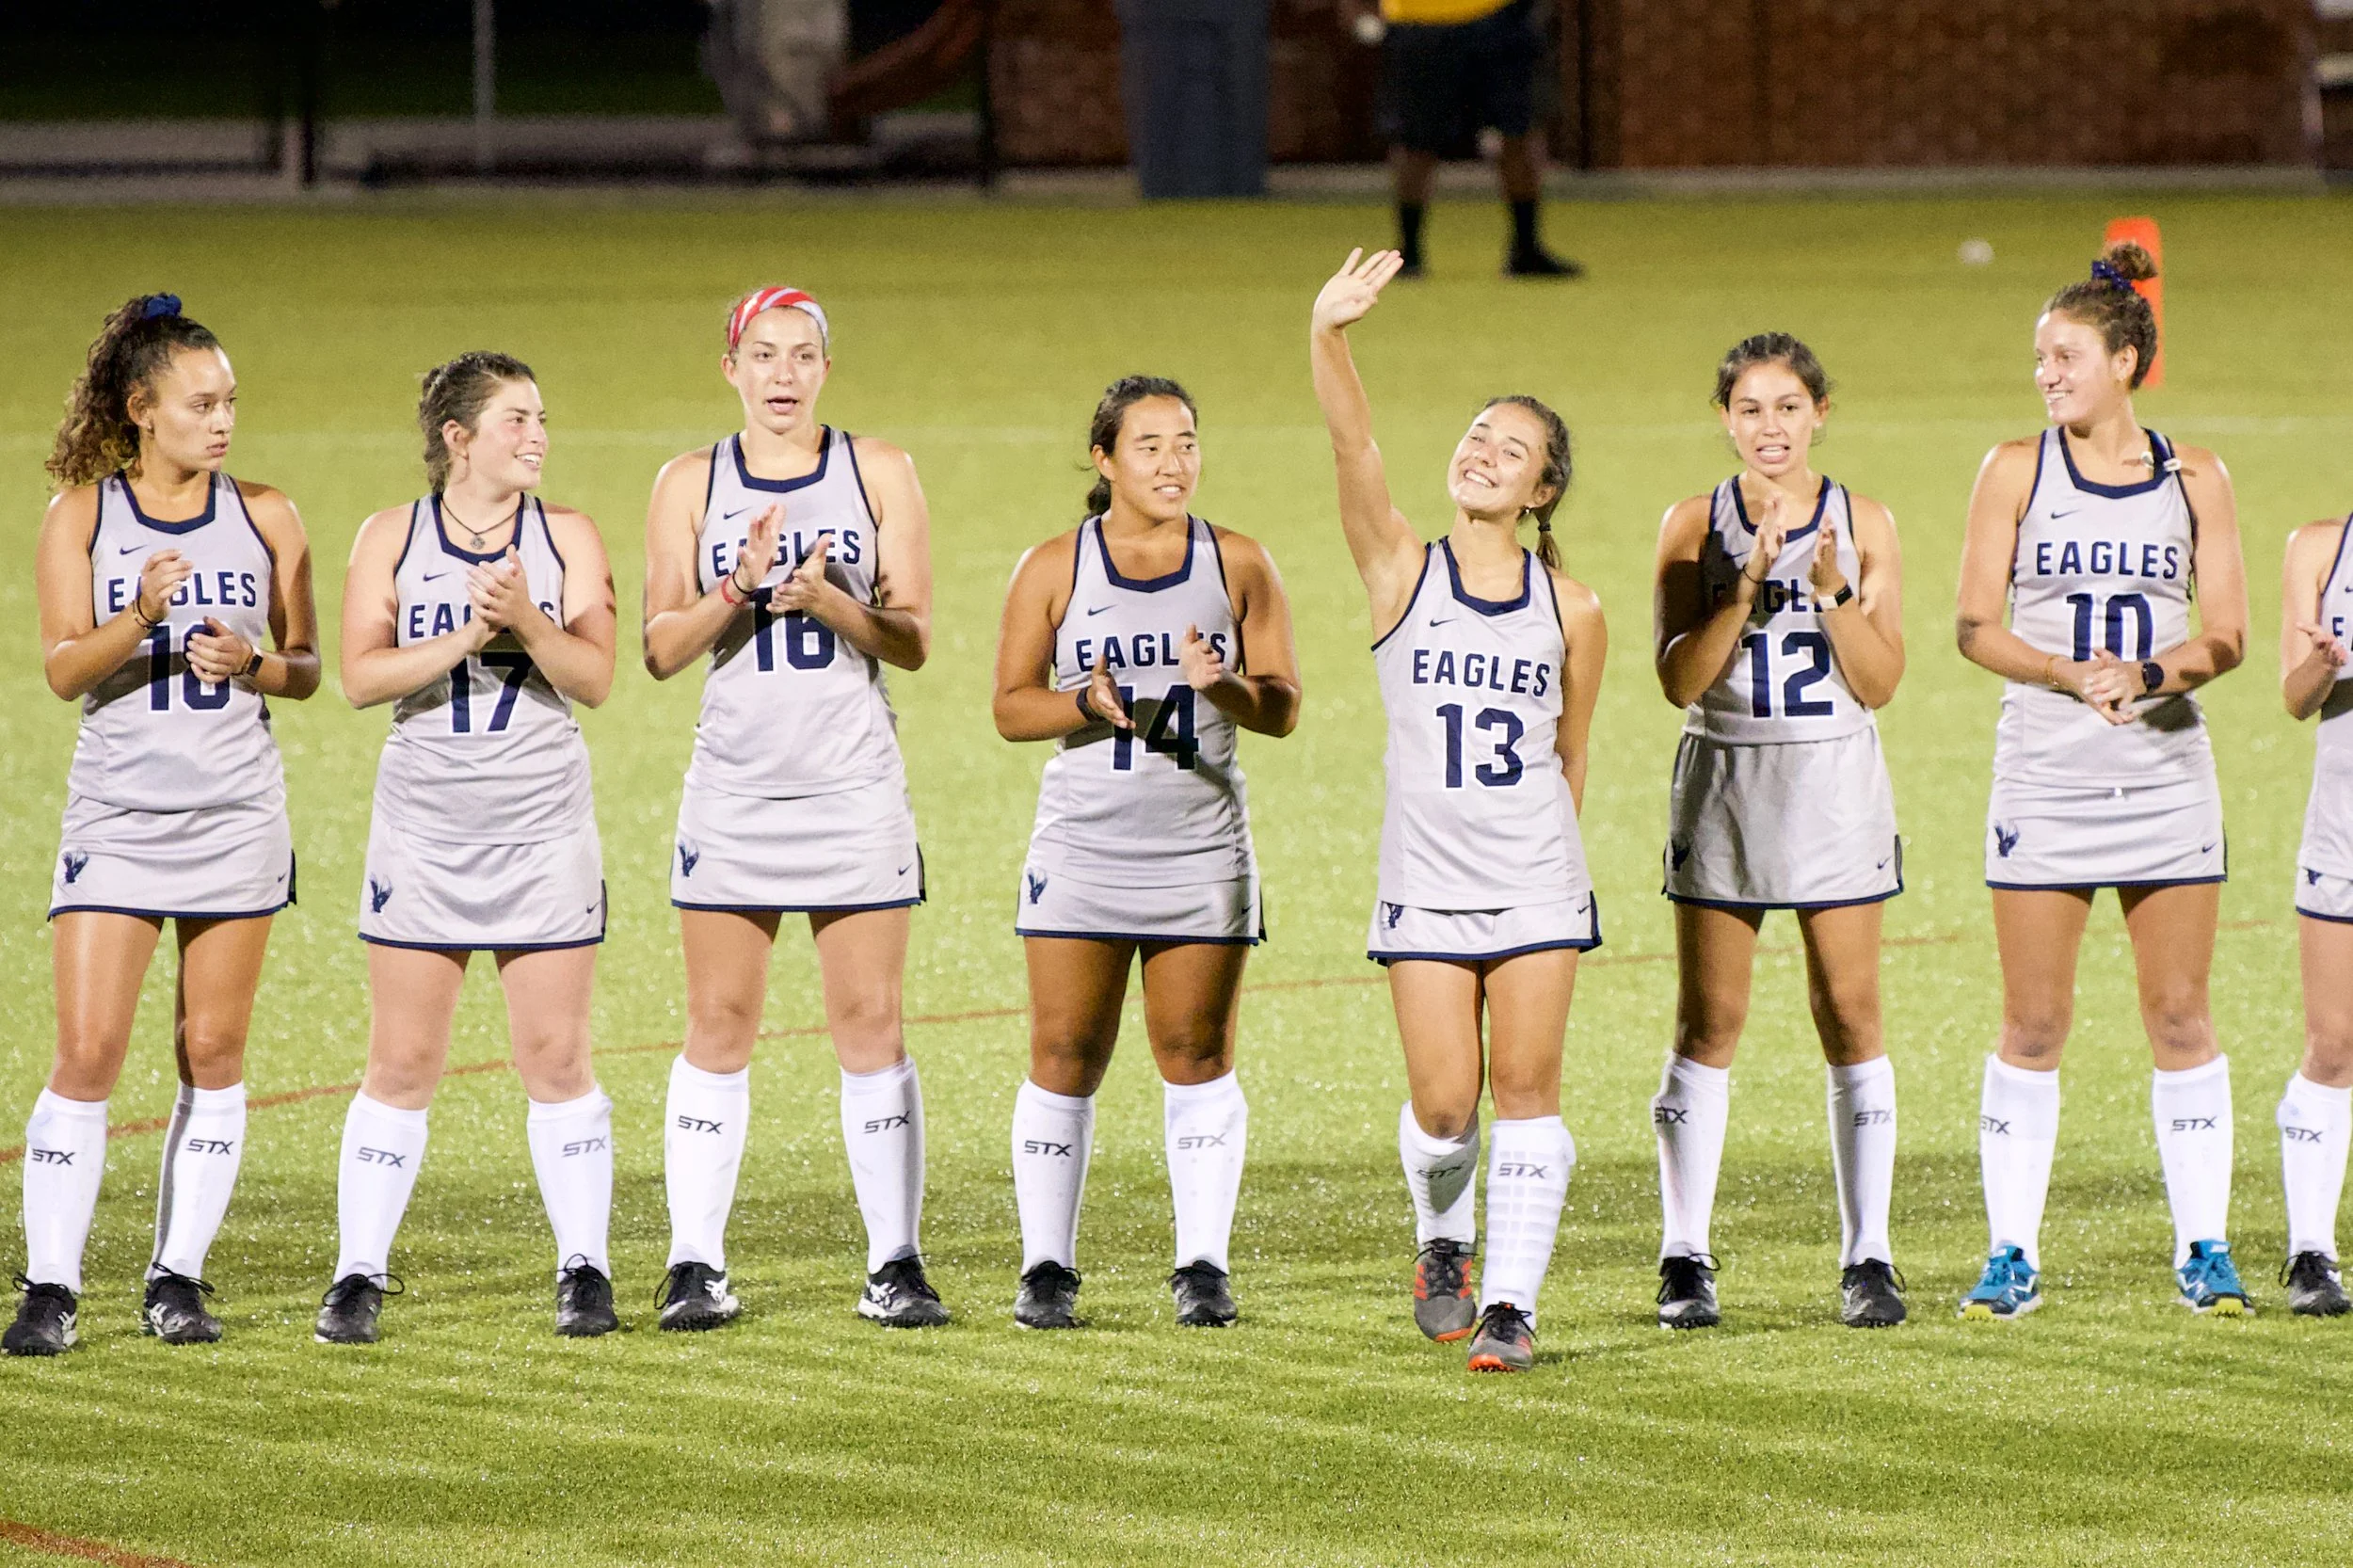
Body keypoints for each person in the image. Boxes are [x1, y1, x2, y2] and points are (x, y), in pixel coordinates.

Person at [8, 295, 320, 1356]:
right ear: (142, 409)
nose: (222, 420)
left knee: (213, 1048)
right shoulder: (83, 517)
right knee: (89, 1049)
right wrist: (139, 614)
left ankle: (176, 1278)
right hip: (120, 815)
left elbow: (307, 667)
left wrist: (256, 664)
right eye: (200, 404)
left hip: (236, 815)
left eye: (230, 401)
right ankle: (51, 1287)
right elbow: (63, 670)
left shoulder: (267, 514)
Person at [1309, 248, 1604, 1371]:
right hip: (1425, 882)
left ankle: (1511, 1308)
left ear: (1541, 491)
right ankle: (1444, 1241)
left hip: (1533, 878)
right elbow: (1355, 450)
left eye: (1510, 448)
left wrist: (1551, 870)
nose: (1482, 452)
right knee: (1444, 1106)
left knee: (1526, 1091)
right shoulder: (1400, 570)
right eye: (1477, 434)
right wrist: (1328, 335)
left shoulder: (1572, 607)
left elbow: (1572, 750)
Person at [1954, 241, 2249, 1320]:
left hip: (2166, 777)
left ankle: (2204, 1245)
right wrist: (2064, 673)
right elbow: (1973, 626)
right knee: (2032, 1022)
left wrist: (2150, 674)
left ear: (2126, 361)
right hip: (2045, 778)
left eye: (2066, 356)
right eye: (2040, 357)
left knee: (2179, 1014)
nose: (2046, 374)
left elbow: (2226, 635)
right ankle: (2009, 1253)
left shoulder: (2195, 476)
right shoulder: (2013, 470)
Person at [642, 287, 943, 1331]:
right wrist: (738, 587)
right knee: (719, 1021)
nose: (783, 374)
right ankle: (694, 1263)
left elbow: (914, 638)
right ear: (730, 366)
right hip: (734, 788)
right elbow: (659, 649)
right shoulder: (689, 481)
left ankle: (895, 1263)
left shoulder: (879, 469)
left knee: (871, 1021)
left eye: (803, 354)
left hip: (853, 785)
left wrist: (830, 602)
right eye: (763, 354)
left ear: (825, 367)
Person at [312, 353, 621, 1346]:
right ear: (458, 438)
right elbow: (359, 677)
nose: (537, 436)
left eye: (541, 417)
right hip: (425, 832)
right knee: (402, 1059)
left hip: (542, 830)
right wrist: (461, 640)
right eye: (515, 419)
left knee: (556, 1054)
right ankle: (358, 1272)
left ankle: (584, 1269)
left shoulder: (567, 535)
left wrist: (525, 619)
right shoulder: (391, 535)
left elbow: (596, 678)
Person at [991, 376, 1302, 1330]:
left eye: (1186, 443)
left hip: (1200, 849)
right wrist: (1082, 703)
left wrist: (1226, 686)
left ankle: (1202, 1267)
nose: (1174, 463)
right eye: (1150, 445)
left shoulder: (1238, 560)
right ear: (1105, 458)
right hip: (1083, 848)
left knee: (1196, 1053)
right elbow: (1010, 706)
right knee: (1063, 1052)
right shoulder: (1054, 565)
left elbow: (1283, 707)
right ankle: (1046, 1268)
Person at [1648, 334, 1910, 1331]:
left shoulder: (1865, 519)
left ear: (1819, 414)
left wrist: (1832, 590)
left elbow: (1880, 680)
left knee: (1850, 1012)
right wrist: (1745, 586)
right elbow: (1679, 678)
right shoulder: (1692, 522)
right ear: (1725, 418)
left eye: (1788, 407)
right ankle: (1684, 1254)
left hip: (1834, 783)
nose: (1770, 427)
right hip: (1726, 778)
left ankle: (1869, 1255)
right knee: (1708, 1022)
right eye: (1750, 408)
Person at [1343, 0, 1578, 279]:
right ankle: (1408, 253)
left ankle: (1526, 248)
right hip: (1420, 23)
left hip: (1501, 18)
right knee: (1415, 141)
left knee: (1520, 131)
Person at [2275, 505, 2353, 1318]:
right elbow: (2295, 699)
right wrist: (2324, 663)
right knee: (2334, 1044)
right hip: (2344, 828)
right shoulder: (2322, 547)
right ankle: (2311, 1253)